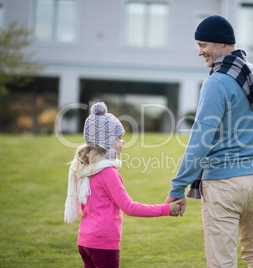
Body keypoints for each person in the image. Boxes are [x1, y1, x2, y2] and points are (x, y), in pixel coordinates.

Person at [165, 15, 253, 267]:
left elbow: (200, 141)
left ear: (221, 43)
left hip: (225, 183)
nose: (200, 51)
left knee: (221, 262)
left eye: (203, 45)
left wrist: (177, 188)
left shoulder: (216, 81)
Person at [64, 102, 181, 268]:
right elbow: (129, 208)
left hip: (84, 242)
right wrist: (166, 209)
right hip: (103, 244)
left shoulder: (85, 169)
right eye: (118, 138)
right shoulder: (107, 172)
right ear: (106, 141)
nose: (122, 142)